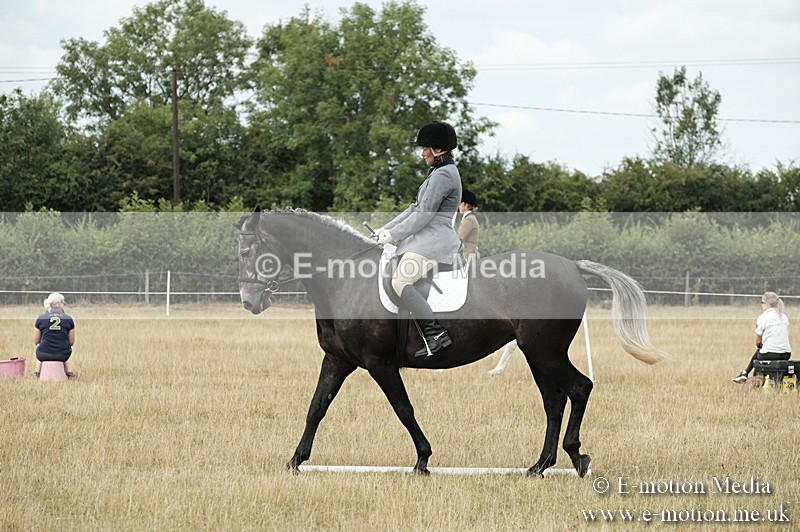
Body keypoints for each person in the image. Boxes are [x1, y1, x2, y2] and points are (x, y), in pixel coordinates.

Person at [374, 121, 462, 358]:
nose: (422, 153)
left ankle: (435, 334)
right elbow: (415, 207)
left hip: (434, 242)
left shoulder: (444, 175)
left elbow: (423, 216)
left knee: (400, 281)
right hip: (423, 239)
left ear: (439, 150)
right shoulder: (437, 172)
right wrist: (385, 228)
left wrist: (393, 235)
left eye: (425, 148)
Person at [732, 291, 791, 383]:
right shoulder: (784, 317)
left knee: (759, 351)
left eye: (762, 303)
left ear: (766, 304)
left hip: (769, 354)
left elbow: (758, 341)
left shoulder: (763, 317)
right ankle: (745, 373)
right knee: (761, 350)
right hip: (786, 353)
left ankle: (746, 374)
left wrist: (760, 346)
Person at [33, 292, 77, 379]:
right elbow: (71, 342)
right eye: (63, 302)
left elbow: (36, 341)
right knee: (64, 347)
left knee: (40, 347)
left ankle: (37, 373)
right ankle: (69, 373)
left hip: (43, 354)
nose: (64, 304)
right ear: (59, 304)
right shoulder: (68, 318)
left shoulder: (41, 318)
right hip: (63, 355)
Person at [457, 188, 480, 260]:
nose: (458, 206)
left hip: (467, 255)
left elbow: (459, 238)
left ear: (465, 205)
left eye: (460, 203)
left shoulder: (469, 219)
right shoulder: (469, 218)